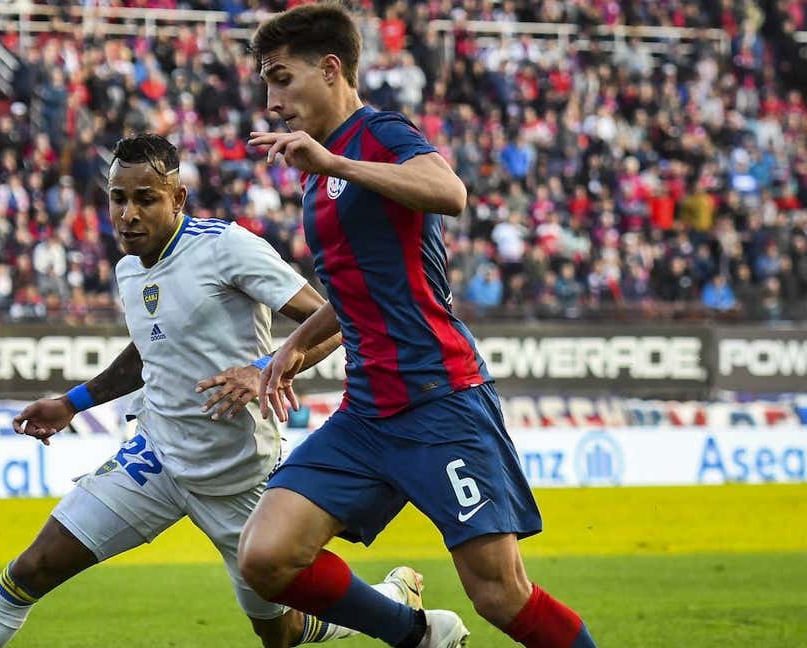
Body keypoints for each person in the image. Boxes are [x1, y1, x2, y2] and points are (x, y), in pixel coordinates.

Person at [0, 133, 434, 648]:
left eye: (145, 198)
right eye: (118, 198)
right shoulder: (129, 268)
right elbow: (149, 350)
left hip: (238, 477)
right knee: (33, 567)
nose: (128, 214)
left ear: (177, 199)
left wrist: (265, 367)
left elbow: (336, 321)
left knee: (282, 634)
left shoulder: (227, 247)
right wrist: (73, 402)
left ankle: (393, 598)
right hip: (156, 458)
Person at [238, 5, 598, 648]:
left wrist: (337, 165)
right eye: (266, 84)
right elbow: (357, 289)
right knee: (267, 557)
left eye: (281, 78)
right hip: (368, 411)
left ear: (330, 68)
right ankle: (418, 634)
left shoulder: (376, 135)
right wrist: (293, 345)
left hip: (439, 398)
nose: (272, 101)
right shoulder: (318, 172)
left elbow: (449, 190)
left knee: (498, 593)